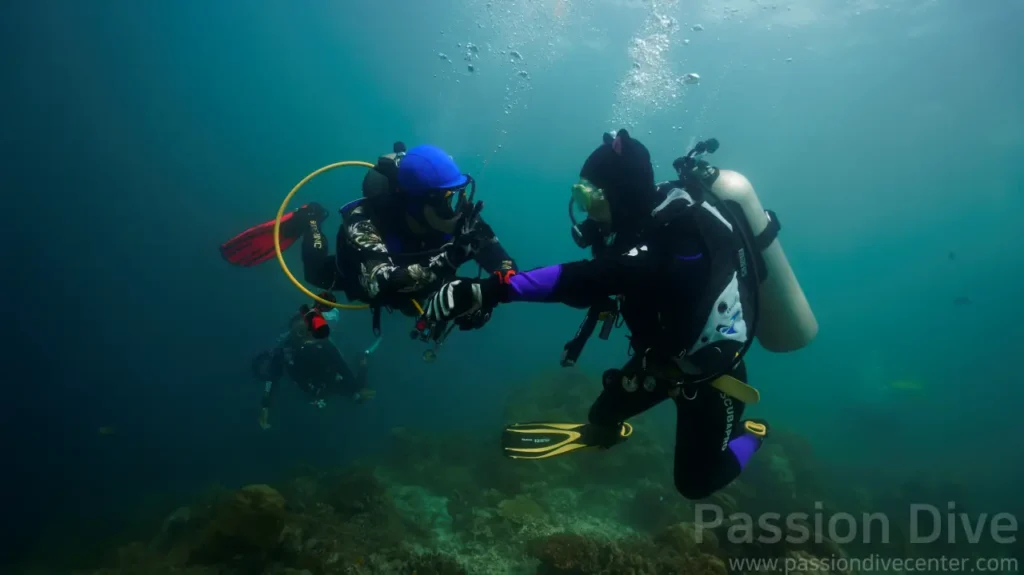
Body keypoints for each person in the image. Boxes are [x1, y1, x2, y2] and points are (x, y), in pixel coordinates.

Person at [418, 130, 817, 499]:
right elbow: (600, 279)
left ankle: (752, 436)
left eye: (591, 198)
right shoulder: (634, 226)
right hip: (658, 361)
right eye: (580, 195)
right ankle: (607, 427)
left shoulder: (673, 238)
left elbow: (590, 279)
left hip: (711, 377)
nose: (585, 210)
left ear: (620, 196)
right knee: (600, 419)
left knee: (695, 483)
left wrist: (488, 290)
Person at [221, 142, 518, 336]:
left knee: (412, 299)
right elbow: (382, 283)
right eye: (447, 198)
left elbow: (501, 261)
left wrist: (488, 296)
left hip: (418, 277)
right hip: (358, 275)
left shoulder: (459, 218)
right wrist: (452, 258)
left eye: (459, 194)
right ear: (417, 201)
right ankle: (308, 218)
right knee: (316, 273)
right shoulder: (364, 220)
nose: (458, 207)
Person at [251, 296, 377, 430]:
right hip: (312, 388)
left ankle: (363, 361)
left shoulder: (325, 345)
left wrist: (357, 390)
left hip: (329, 381)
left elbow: (342, 368)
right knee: (352, 395)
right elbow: (272, 377)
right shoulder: (284, 349)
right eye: (300, 331)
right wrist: (265, 406)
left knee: (358, 398)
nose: (304, 334)